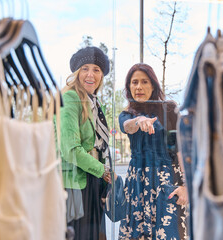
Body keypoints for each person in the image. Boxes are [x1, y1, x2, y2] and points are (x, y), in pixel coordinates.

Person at [118, 63, 188, 239]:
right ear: (129, 87)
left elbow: (179, 150)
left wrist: (187, 187)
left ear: (153, 85)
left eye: (144, 82)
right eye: (134, 82)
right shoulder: (127, 115)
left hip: (167, 182)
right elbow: (127, 127)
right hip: (137, 186)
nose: (139, 87)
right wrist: (139, 120)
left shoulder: (169, 109)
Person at [59, 46, 113, 240]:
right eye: (85, 68)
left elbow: (102, 147)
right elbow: (70, 149)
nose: (91, 74)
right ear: (76, 73)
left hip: (93, 182)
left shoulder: (95, 104)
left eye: (96, 70)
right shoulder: (70, 98)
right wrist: (104, 171)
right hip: (75, 185)